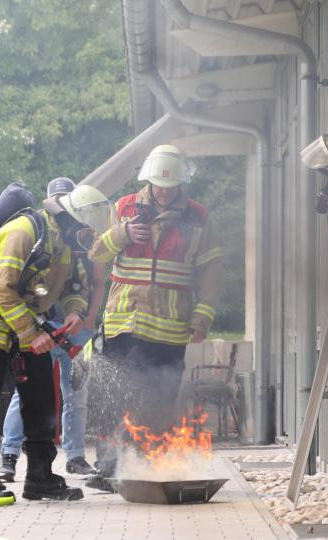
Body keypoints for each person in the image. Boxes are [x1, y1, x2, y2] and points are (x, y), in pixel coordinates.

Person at [0, 183, 111, 500]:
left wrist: (75, 312)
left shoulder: (64, 244)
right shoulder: (22, 232)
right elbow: (2, 289)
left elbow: (74, 286)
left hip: (29, 327)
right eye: (87, 232)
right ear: (71, 220)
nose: (88, 240)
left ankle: (39, 478)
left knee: (41, 401)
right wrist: (31, 334)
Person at [87, 144, 221, 482]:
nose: (163, 191)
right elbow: (96, 253)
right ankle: (108, 469)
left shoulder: (198, 217)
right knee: (116, 398)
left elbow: (211, 271)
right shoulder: (123, 207)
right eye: (158, 184)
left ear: (181, 183)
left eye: (170, 185)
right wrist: (122, 234)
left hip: (170, 328)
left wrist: (202, 318)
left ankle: (145, 468)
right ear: (148, 179)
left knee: (160, 402)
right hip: (125, 323)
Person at [0, 178, 98, 482]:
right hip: (38, 327)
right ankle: (9, 454)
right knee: (26, 393)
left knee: (76, 394)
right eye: (59, 200)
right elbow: (9, 287)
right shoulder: (37, 236)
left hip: (74, 329)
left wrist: (81, 314)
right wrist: (29, 331)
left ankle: (75, 456)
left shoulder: (78, 238)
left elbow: (81, 284)